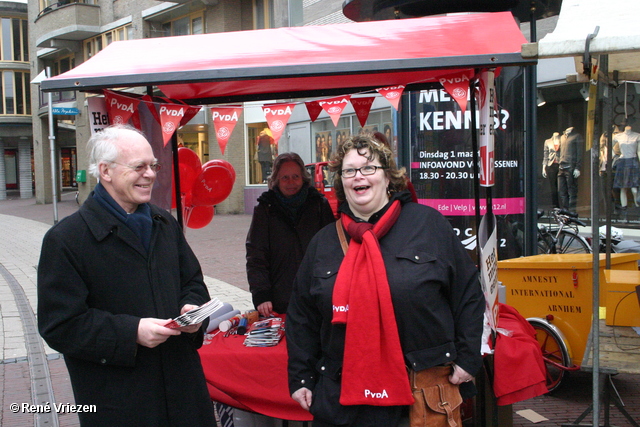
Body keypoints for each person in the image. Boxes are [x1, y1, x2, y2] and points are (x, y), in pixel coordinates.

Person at [286, 134, 484, 427]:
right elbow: (301, 315)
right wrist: (301, 376)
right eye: (349, 171)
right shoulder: (323, 242)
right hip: (340, 401)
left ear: (388, 177)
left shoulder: (428, 225)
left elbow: (467, 294)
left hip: (419, 398)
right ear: (341, 182)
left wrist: (468, 359)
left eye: (368, 168)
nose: (358, 177)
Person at [37, 125, 217, 427]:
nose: (150, 174)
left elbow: (193, 282)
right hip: (120, 402)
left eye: (153, 166)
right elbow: (60, 325)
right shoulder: (66, 239)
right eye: (139, 167)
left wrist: (192, 308)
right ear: (105, 171)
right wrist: (131, 332)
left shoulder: (164, 222)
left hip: (184, 391)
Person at [246, 152, 335, 318]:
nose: (291, 182)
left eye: (295, 176)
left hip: (316, 295)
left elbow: (331, 251)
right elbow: (256, 255)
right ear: (276, 180)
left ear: (303, 177)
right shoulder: (265, 208)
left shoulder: (319, 205)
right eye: (284, 177)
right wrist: (261, 294)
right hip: (279, 298)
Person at [613, 125, 640, 214]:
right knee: (623, 187)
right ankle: (624, 207)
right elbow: (609, 146)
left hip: (633, 161)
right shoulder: (618, 136)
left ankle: (637, 206)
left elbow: (639, 151)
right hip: (623, 161)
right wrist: (613, 156)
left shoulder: (637, 135)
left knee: (634, 189)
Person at [557, 127, 583, 213]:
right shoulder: (562, 137)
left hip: (571, 166)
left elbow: (579, 152)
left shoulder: (576, 136)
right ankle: (565, 210)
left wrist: (577, 167)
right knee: (561, 190)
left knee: (572, 191)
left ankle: (572, 212)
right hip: (561, 166)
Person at [542, 131, 561, 208]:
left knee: (561, 187)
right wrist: (543, 168)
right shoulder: (548, 141)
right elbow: (545, 155)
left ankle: (564, 206)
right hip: (551, 165)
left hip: (561, 165)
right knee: (553, 188)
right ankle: (555, 207)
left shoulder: (562, 139)